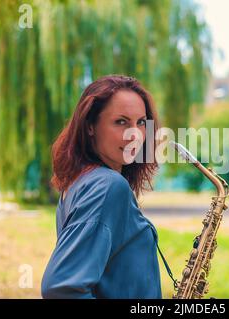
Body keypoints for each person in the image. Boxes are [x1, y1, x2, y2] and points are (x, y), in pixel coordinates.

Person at [41, 75, 174, 299]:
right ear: (90, 126)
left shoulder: (81, 182)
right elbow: (61, 289)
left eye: (141, 122)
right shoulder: (108, 186)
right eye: (121, 122)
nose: (135, 135)